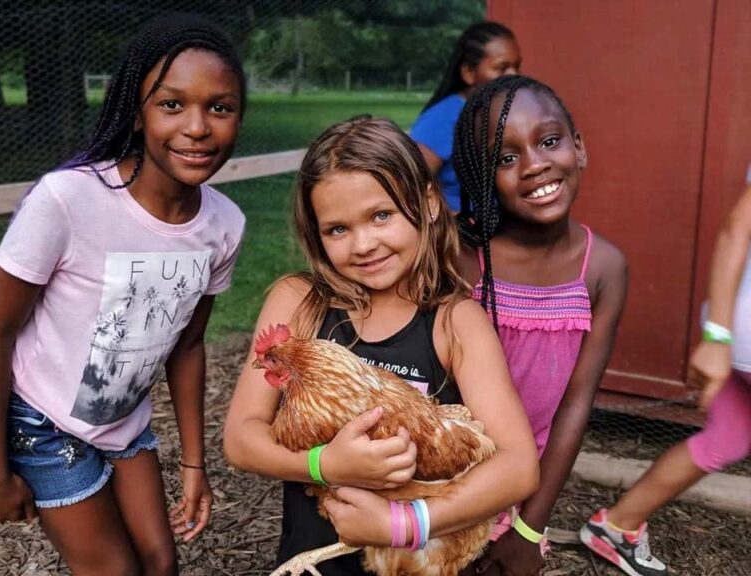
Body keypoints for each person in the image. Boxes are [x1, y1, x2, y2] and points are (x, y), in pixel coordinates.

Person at [0, 13, 247, 575]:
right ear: (136, 110)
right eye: (172, 104)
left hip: (124, 423)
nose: (198, 127)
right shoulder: (68, 200)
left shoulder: (224, 225)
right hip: (41, 421)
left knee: (161, 565)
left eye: (219, 107)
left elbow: (190, 346)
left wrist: (194, 466)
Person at [223, 116, 539, 575]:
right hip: (314, 562)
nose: (364, 244)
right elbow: (240, 438)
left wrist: (401, 523)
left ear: (429, 203)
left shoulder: (455, 323)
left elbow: (518, 466)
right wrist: (324, 464)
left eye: (380, 215)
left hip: (417, 558)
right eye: (337, 229)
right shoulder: (298, 302)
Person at [454, 75, 628, 576]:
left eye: (549, 141)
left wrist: (529, 528)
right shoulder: (461, 256)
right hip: (441, 482)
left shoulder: (603, 269)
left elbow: (576, 402)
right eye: (505, 159)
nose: (534, 165)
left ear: (578, 147)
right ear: (480, 175)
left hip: (520, 491)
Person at [580, 167, 751, 576]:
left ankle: (617, 526)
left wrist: (721, 334)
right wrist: (717, 336)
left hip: (738, 326)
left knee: (726, 438)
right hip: (739, 331)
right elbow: (736, 230)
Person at [410, 21, 521, 213]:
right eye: (501, 68)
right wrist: (454, 226)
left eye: (516, 66)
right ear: (469, 73)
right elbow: (409, 188)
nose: (513, 76)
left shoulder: (503, 113)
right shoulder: (442, 120)